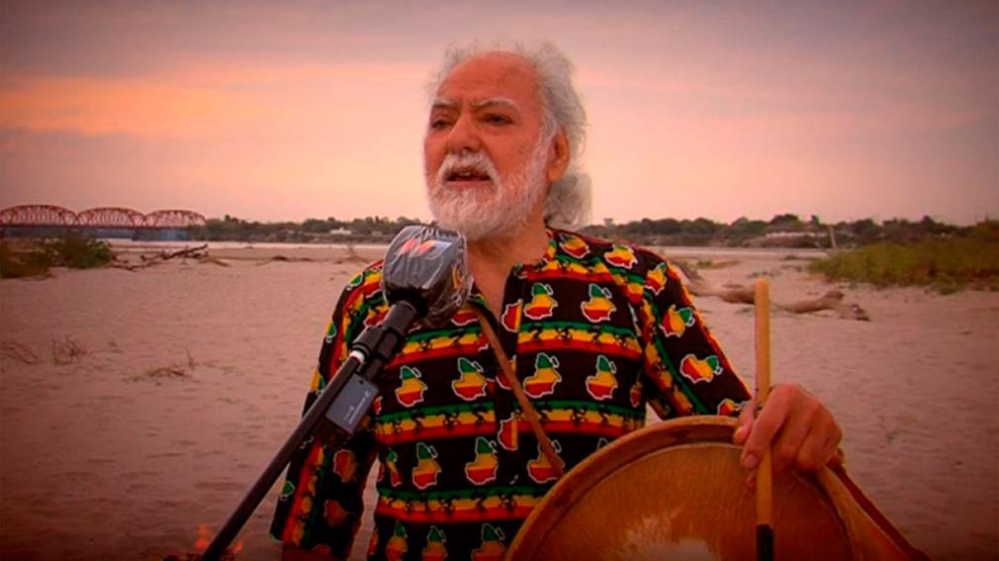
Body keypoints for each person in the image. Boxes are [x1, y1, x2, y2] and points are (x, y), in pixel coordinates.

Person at [271, 42, 841, 561]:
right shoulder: (372, 300)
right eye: (441, 121)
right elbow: (313, 517)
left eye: (494, 118)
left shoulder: (636, 285)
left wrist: (792, 425)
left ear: (556, 153)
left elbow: (739, 451)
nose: (459, 138)